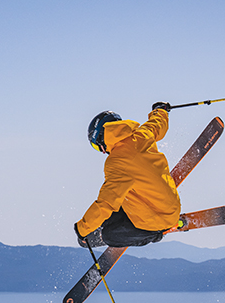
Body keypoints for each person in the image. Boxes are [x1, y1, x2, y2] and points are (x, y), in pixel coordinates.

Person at [74, 103, 181, 248]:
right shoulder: (142, 134)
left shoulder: (116, 163)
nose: (103, 152)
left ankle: (156, 234)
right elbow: (157, 125)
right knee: (107, 219)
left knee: (109, 236)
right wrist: (160, 111)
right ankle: (103, 227)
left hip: (159, 219)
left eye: (97, 146)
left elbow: (106, 203)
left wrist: (81, 229)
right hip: (168, 204)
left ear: (101, 139)